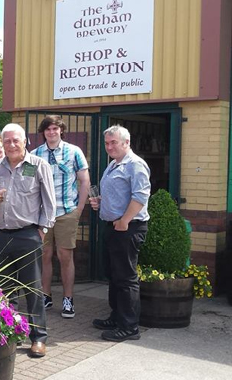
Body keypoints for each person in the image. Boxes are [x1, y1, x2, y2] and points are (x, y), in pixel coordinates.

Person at [0, 123, 55, 358]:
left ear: (25, 142)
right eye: (7, 141)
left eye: (15, 140)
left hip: (28, 234)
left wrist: (41, 230)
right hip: (0, 234)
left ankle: (39, 338)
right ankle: (8, 333)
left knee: (32, 288)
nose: (11, 145)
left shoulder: (39, 166)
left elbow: (50, 203)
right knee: (3, 288)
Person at [90, 125, 150, 342]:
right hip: (113, 227)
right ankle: (117, 317)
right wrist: (101, 203)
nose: (109, 147)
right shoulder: (114, 165)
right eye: (107, 143)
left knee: (125, 278)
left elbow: (140, 197)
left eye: (113, 142)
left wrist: (124, 220)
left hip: (128, 227)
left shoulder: (135, 165)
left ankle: (129, 327)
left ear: (127, 142)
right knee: (114, 276)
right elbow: (118, 195)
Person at [30, 115, 89, 319]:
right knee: (44, 256)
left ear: (61, 130)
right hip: (43, 215)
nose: (52, 132)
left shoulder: (74, 152)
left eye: (55, 129)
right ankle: (45, 295)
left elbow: (84, 181)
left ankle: (68, 299)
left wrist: (79, 209)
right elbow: (27, 183)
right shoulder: (34, 154)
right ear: (43, 132)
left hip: (66, 212)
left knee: (65, 257)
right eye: (48, 129)